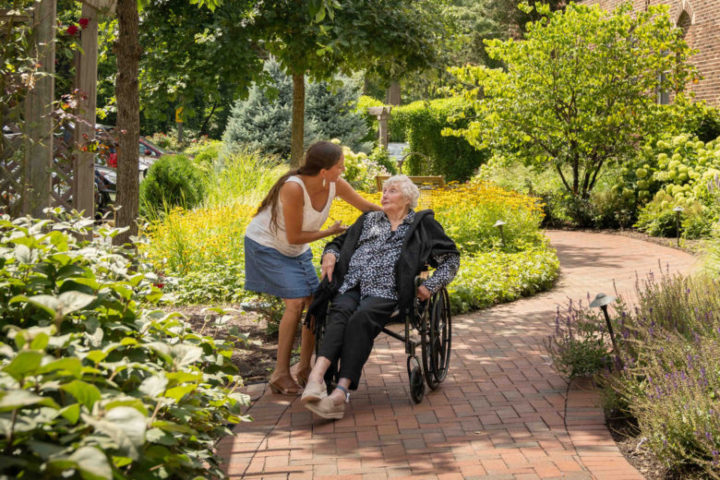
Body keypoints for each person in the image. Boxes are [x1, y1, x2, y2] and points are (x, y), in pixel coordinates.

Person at [300, 175, 460, 419]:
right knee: (339, 312)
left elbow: (450, 258)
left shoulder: (421, 224)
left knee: (360, 319)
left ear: (407, 199)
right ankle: (316, 378)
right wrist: (330, 254)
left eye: (392, 191)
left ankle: (340, 393)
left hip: (388, 291)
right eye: (384, 190)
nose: (384, 195)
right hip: (351, 284)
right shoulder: (369, 220)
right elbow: (338, 243)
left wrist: (432, 285)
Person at [244, 141, 381, 396]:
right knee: (296, 303)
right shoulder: (293, 188)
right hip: (266, 245)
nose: (342, 171)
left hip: (295, 249)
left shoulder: (335, 184)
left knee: (315, 302)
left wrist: (404, 216)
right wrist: (330, 232)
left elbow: (366, 207)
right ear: (323, 171)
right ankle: (280, 374)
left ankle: (305, 369)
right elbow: (295, 236)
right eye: (339, 167)